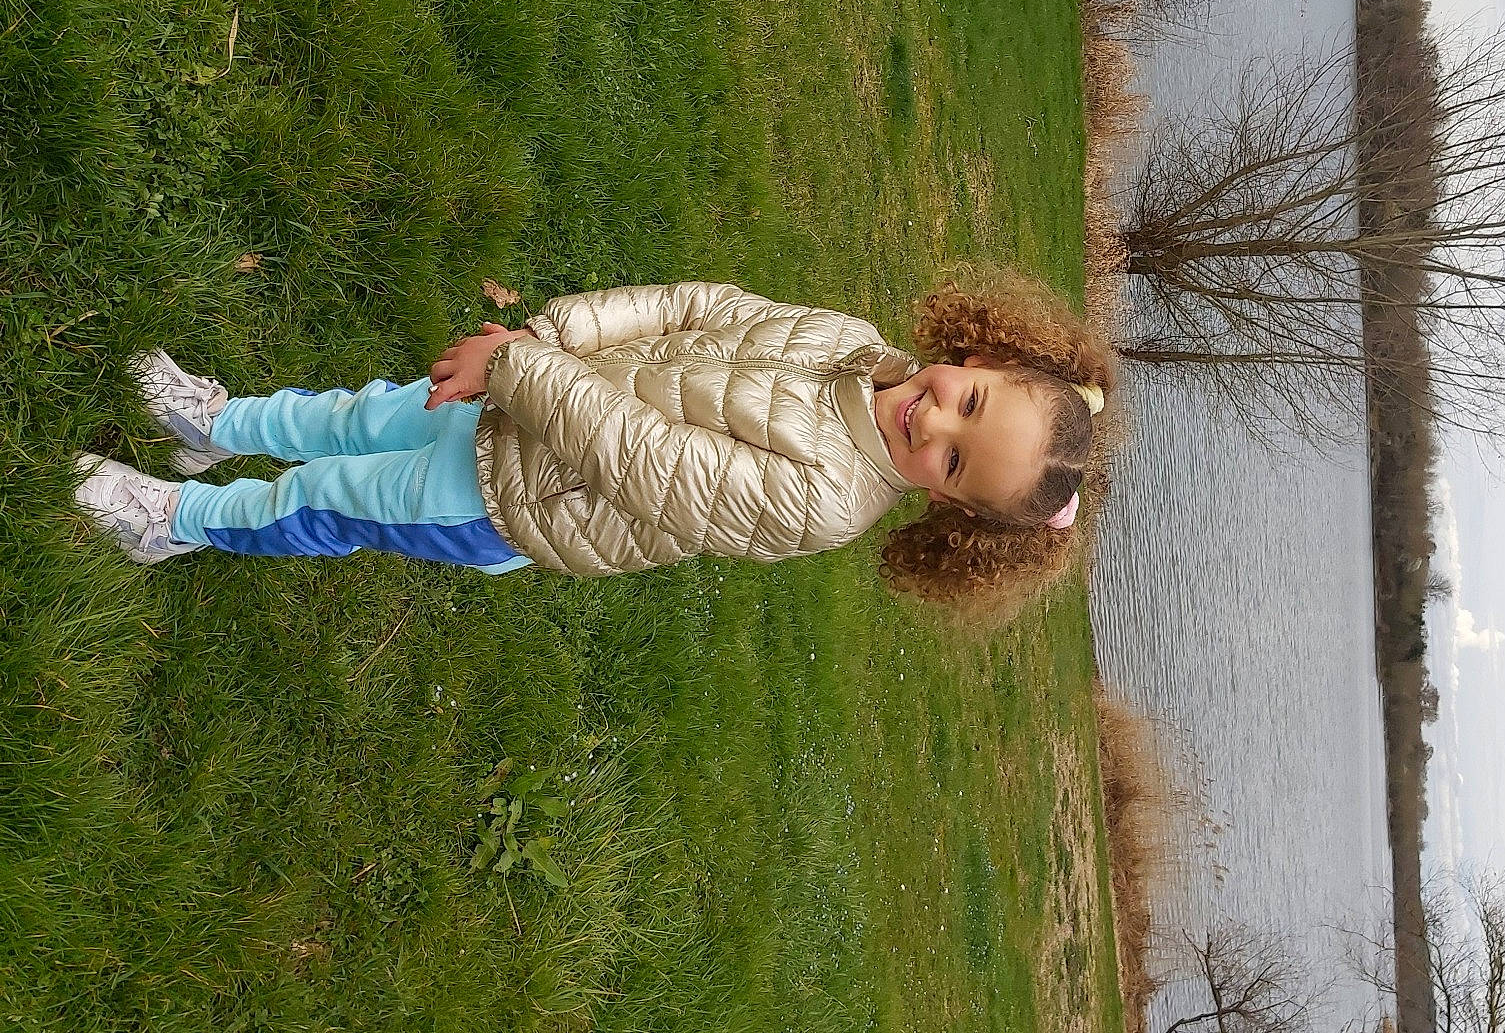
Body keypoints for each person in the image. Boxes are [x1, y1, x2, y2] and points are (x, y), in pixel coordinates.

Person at [72, 271, 1113, 610]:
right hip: (517, 391)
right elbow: (689, 307)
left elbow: (644, 459)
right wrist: (540, 338)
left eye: (952, 458)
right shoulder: (848, 346)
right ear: (975, 357)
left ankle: (177, 521)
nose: (930, 421)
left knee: (327, 495)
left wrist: (522, 371)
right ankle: (217, 426)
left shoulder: (824, 500)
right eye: (964, 405)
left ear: (945, 503)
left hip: (512, 492)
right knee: (356, 411)